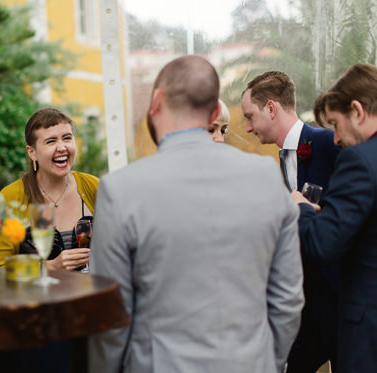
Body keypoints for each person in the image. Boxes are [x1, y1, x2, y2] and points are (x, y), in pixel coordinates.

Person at [89, 56, 303, 373]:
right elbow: (287, 298)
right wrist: (266, 362)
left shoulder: (120, 190)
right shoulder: (266, 177)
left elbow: (111, 317)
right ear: (215, 112)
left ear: (157, 101)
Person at [241, 70, 341, 372]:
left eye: (249, 116)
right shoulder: (278, 162)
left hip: (339, 298)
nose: (246, 128)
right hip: (306, 301)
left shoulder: (329, 144)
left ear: (271, 108)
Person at [291, 63, 377, 373]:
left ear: (357, 111)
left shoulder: (360, 159)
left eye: (335, 124)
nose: (336, 139)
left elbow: (321, 245)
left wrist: (299, 208)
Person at [0, 107, 98, 271]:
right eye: (51, 141)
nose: (62, 147)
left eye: (67, 138)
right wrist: (50, 266)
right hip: (37, 296)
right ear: (32, 152)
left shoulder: (95, 187)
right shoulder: (9, 198)